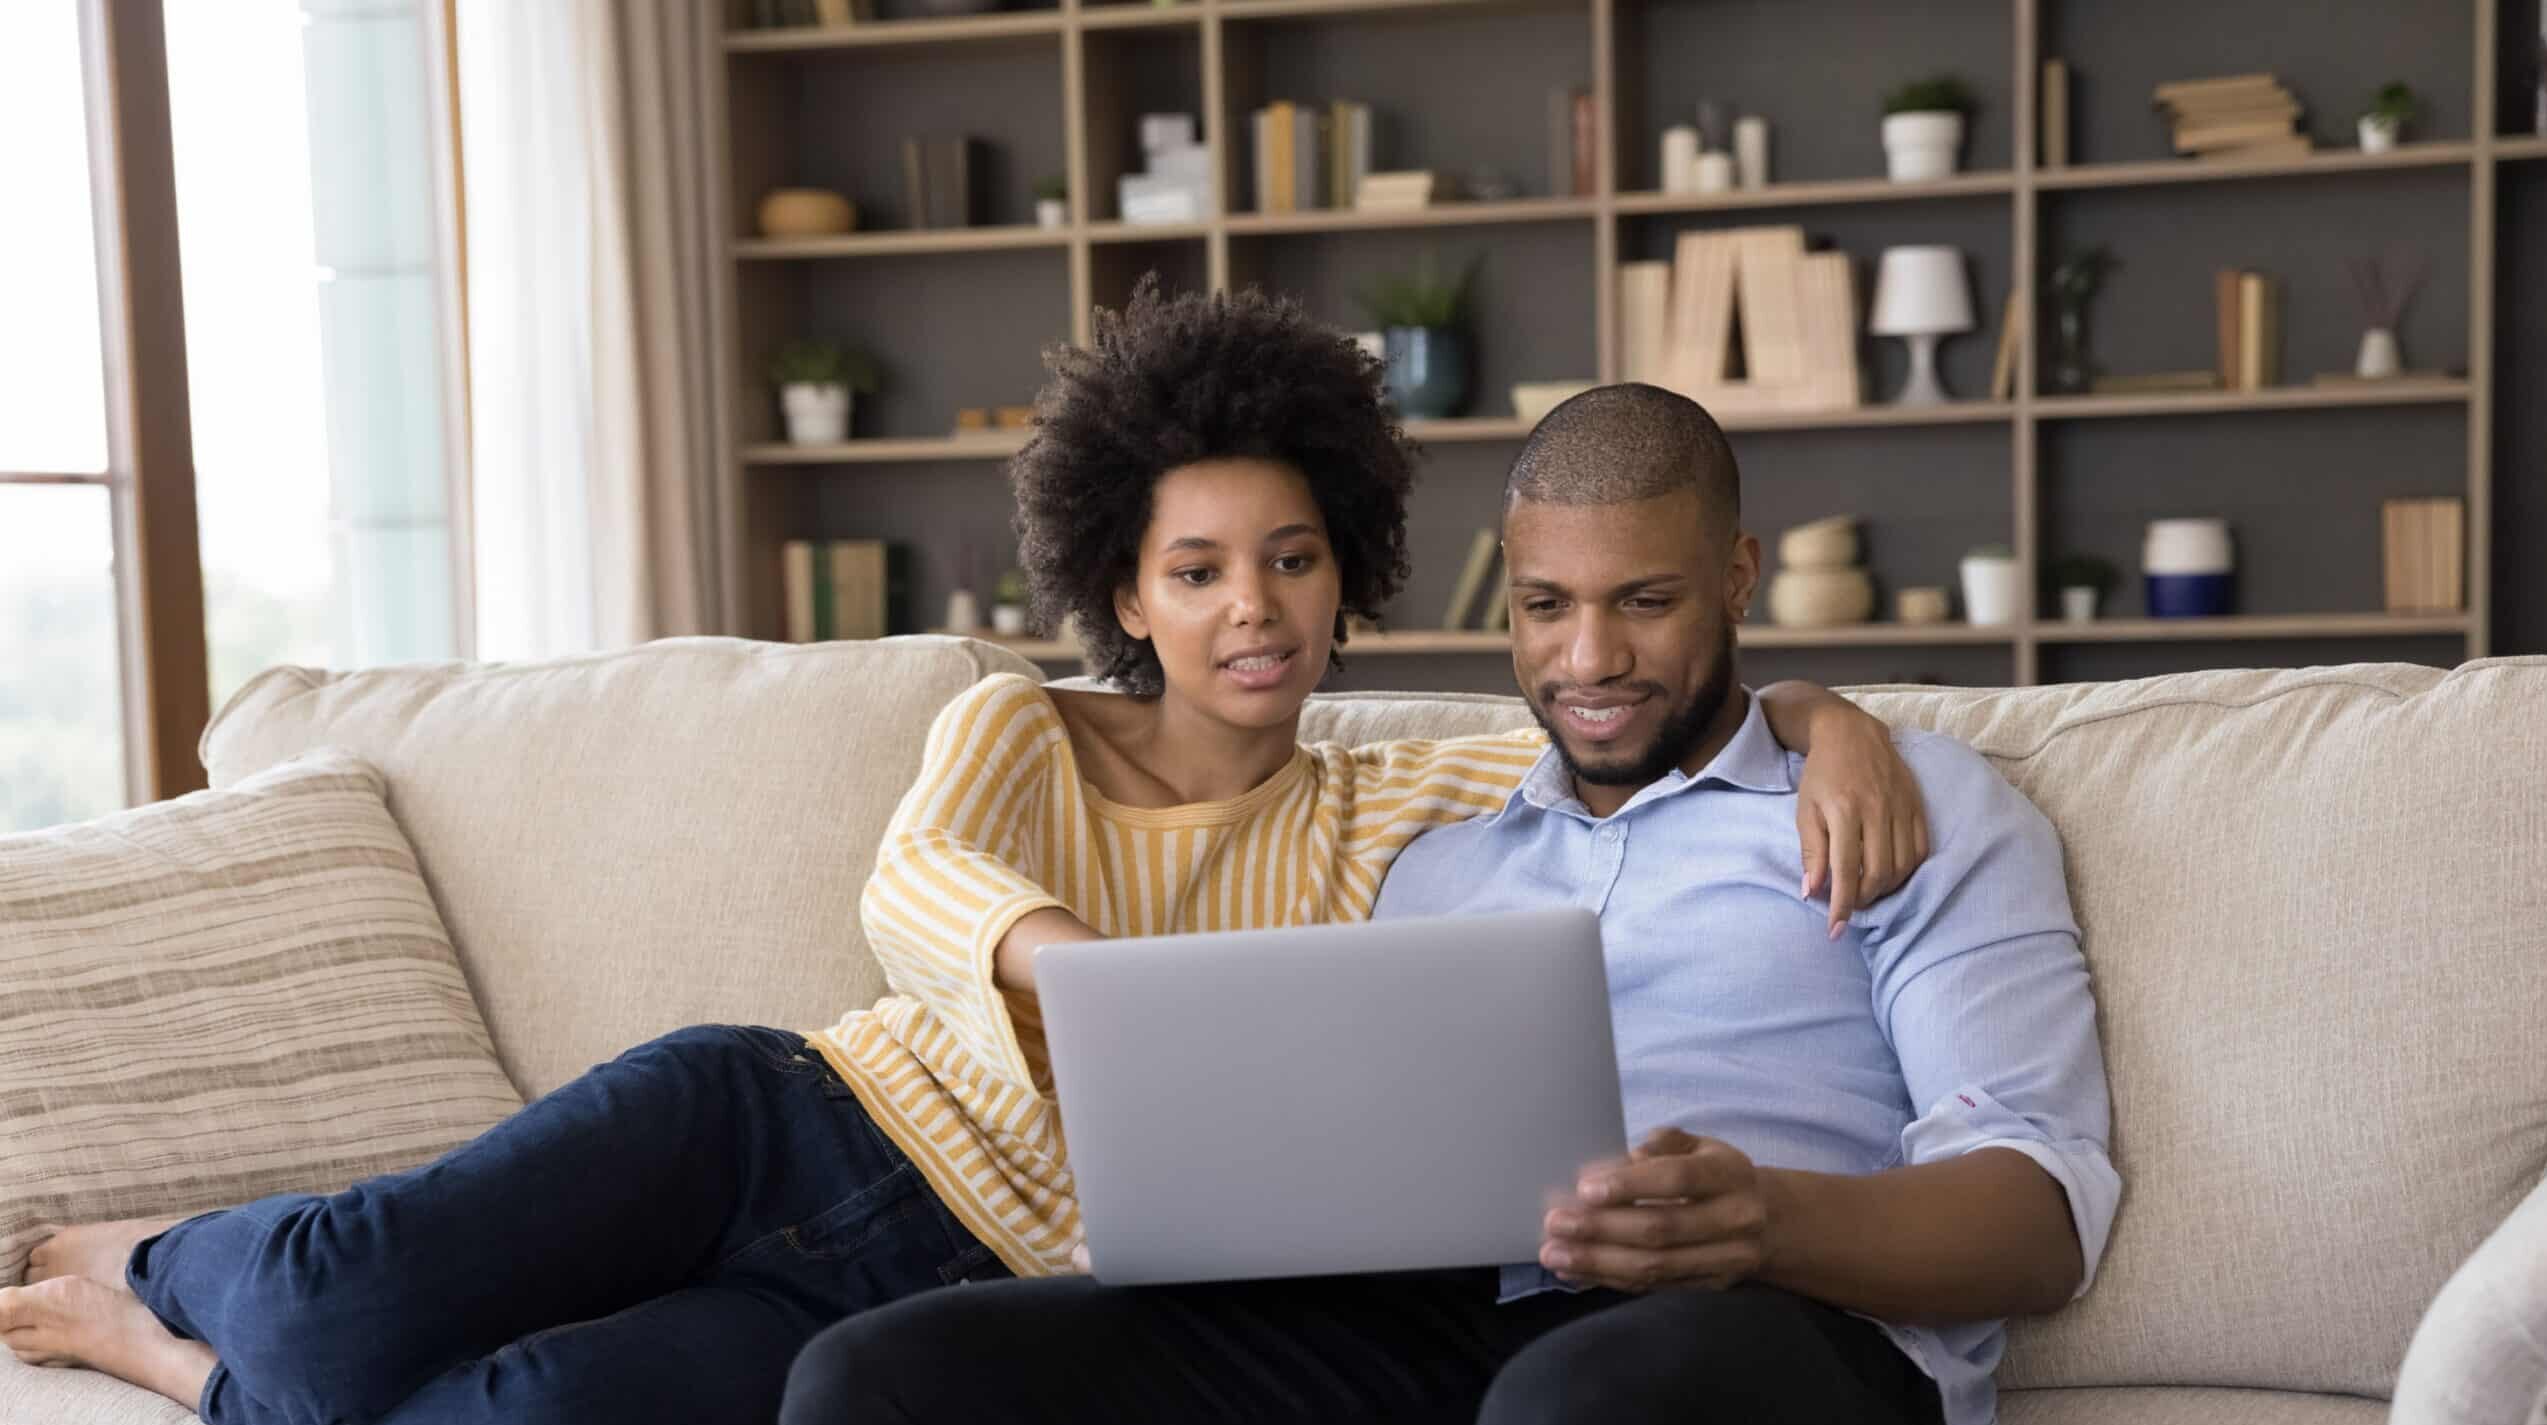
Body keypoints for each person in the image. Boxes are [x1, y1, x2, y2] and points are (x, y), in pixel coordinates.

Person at [0, 286, 1921, 1425]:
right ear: (1125, 592)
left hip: (931, 1296)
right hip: (784, 1123)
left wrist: (1832, 718)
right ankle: (156, 1257)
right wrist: (1079, 969)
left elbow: (1631, 715)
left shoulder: (1406, 804)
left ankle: (175, 1375)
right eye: (1196, 570)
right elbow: (916, 886)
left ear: (1351, 579)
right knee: (346, 1297)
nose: (1251, 607)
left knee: (536, 1415)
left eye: (1294, 558)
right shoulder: (1020, 722)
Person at [780, 383, 2120, 1425]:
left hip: (1787, 1324)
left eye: (1644, 602)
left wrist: (1762, 1215)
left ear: (1737, 576)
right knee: (888, 1373)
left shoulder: (1912, 808)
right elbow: (1354, 1160)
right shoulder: (1438, 859)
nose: (1589, 658)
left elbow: (2038, 1215)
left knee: (1564, 1402)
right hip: (1457, 1314)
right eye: (1546, 606)